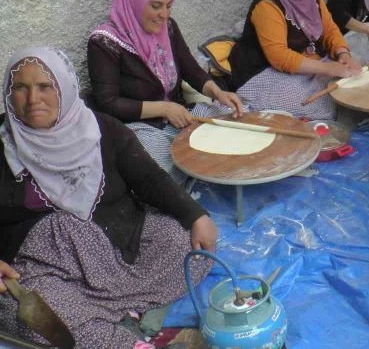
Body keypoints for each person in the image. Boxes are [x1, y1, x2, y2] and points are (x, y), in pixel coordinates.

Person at [0, 47, 216, 348]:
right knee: (30, 315)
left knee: (182, 243)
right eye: (20, 88)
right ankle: (128, 339)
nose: (33, 99)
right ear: (8, 96)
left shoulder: (103, 130)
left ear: (64, 86)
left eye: (45, 86)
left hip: (119, 246)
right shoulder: (4, 148)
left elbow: (149, 179)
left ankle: (121, 312)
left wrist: (196, 215)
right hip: (49, 271)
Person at [87, 0, 243, 182]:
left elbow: (190, 68)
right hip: (140, 127)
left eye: (169, 6)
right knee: (156, 168)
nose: (164, 15)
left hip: (179, 113)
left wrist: (218, 93)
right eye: (156, 6)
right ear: (133, 3)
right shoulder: (104, 43)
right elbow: (108, 103)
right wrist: (164, 109)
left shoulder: (167, 28)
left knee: (233, 126)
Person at [229, 0, 361, 120]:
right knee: (310, 100)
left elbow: (329, 29)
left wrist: (343, 55)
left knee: (356, 71)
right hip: (268, 70)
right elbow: (279, 56)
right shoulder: (267, 5)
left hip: (310, 60)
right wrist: (328, 68)